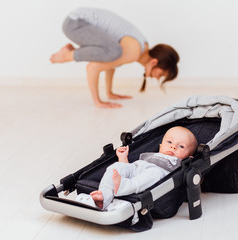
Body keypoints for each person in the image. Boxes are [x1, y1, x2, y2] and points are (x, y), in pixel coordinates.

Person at [50, 7, 180, 108]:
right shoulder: (134, 51)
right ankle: (66, 55)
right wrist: (98, 101)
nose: (156, 77)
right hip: (76, 24)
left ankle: (71, 51)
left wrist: (109, 93)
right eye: (160, 74)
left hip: (77, 23)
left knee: (113, 53)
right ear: (154, 62)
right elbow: (92, 68)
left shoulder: (141, 47)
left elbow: (110, 64)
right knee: (113, 52)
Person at [90, 126, 198, 209]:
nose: (173, 146)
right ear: (160, 146)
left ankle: (123, 186)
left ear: (189, 157)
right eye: (169, 142)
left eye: (181, 146)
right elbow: (130, 169)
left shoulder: (181, 163)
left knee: (154, 173)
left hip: (156, 174)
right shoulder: (150, 155)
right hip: (136, 168)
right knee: (115, 167)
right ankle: (104, 195)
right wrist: (123, 158)